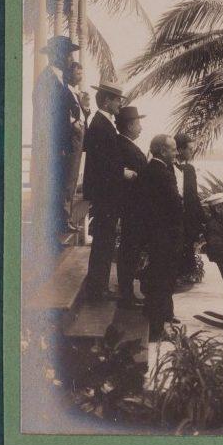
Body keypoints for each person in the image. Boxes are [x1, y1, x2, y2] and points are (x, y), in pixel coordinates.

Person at [82, 81, 133, 301]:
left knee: (105, 239)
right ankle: (97, 288)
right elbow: (103, 163)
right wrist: (123, 173)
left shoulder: (103, 123)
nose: (120, 104)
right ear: (106, 101)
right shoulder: (101, 125)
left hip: (105, 193)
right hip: (106, 194)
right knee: (104, 240)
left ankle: (99, 285)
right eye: (117, 100)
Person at [30, 34, 79, 249]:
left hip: (58, 148)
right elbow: (46, 120)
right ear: (58, 55)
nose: (71, 59)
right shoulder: (47, 82)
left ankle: (52, 236)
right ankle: (46, 241)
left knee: (55, 191)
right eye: (68, 54)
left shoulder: (59, 80)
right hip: (51, 149)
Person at [139, 135, 184, 341]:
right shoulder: (162, 174)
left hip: (154, 234)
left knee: (157, 279)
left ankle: (155, 323)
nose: (176, 153)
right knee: (162, 281)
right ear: (163, 151)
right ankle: (157, 330)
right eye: (173, 149)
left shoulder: (149, 170)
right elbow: (175, 204)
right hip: (165, 236)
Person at [114, 106, 148, 308]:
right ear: (129, 126)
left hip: (134, 207)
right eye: (138, 123)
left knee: (131, 250)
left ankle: (127, 293)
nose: (141, 128)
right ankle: (126, 295)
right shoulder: (124, 146)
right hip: (132, 208)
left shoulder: (125, 145)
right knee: (129, 249)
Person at [174, 132, 206, 283]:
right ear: (179, 150)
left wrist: (201, 217)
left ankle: (183, 276)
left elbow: (193, 196)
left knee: (187, 247)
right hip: (175, 217)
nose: (192, 152)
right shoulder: (168, 168)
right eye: (189, 149)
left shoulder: (190, 169)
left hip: (188, 217)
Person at [63, 59, 90, 231]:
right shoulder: (65, 92)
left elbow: (81, 113)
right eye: (77, 73)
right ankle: (65, 219)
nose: (80, 76)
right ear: (70, 74)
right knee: (69, 178)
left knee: (73, 178)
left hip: (79, 138)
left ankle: (67, 217)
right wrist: (74, 124)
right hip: (73, 137)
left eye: (81, 73)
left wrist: (85, 108)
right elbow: (64, 113)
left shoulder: (75, 93)